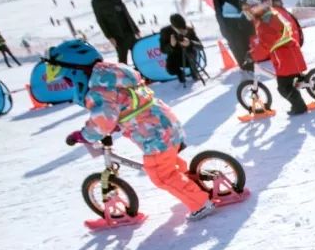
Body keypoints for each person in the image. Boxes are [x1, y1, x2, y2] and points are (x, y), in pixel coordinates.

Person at [46, 39, 215, 221]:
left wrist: (84, 135)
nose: (70, 83)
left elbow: (102, 121)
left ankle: (200, 202)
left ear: (75, 71)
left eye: (67, 78)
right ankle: (192, 183)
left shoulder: (99, 89)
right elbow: (125, 102)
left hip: (153, 133)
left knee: (161, 174)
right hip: (165, 122)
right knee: (170, 161)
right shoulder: (112, 73)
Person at [235, 0, 309, 116]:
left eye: (248, 8)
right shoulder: (268, 17)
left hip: (286, 58)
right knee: (294, 80)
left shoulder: (266, 23)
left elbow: (266, 45)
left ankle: (299, 107)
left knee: (284, 88)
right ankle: (305, 82)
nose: (246, 12)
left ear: (257, 5)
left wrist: (253, 55)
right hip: (288, 54)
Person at [91, 0, 140, 65]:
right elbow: (100, 20)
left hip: (129, 32)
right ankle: (125, 77)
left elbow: (127, 14)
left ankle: (143, 74)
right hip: (117, 35)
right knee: (122, 60)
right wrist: (109, 36)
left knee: (139, 54)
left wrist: (136, 30)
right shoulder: (97, 1)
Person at [159, 14, 203, 87]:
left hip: (189, 56)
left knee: (190, 53)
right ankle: (180, 73)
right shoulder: (165, 32)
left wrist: (190, 43)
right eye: (179, 30)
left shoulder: (189, 30)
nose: (181, 32)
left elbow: (200, 46)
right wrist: (171, 45)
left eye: (183, 29)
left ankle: (194, 72)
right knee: (170, 69)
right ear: (173, 27)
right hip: (175, 57)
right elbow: (163, 50)